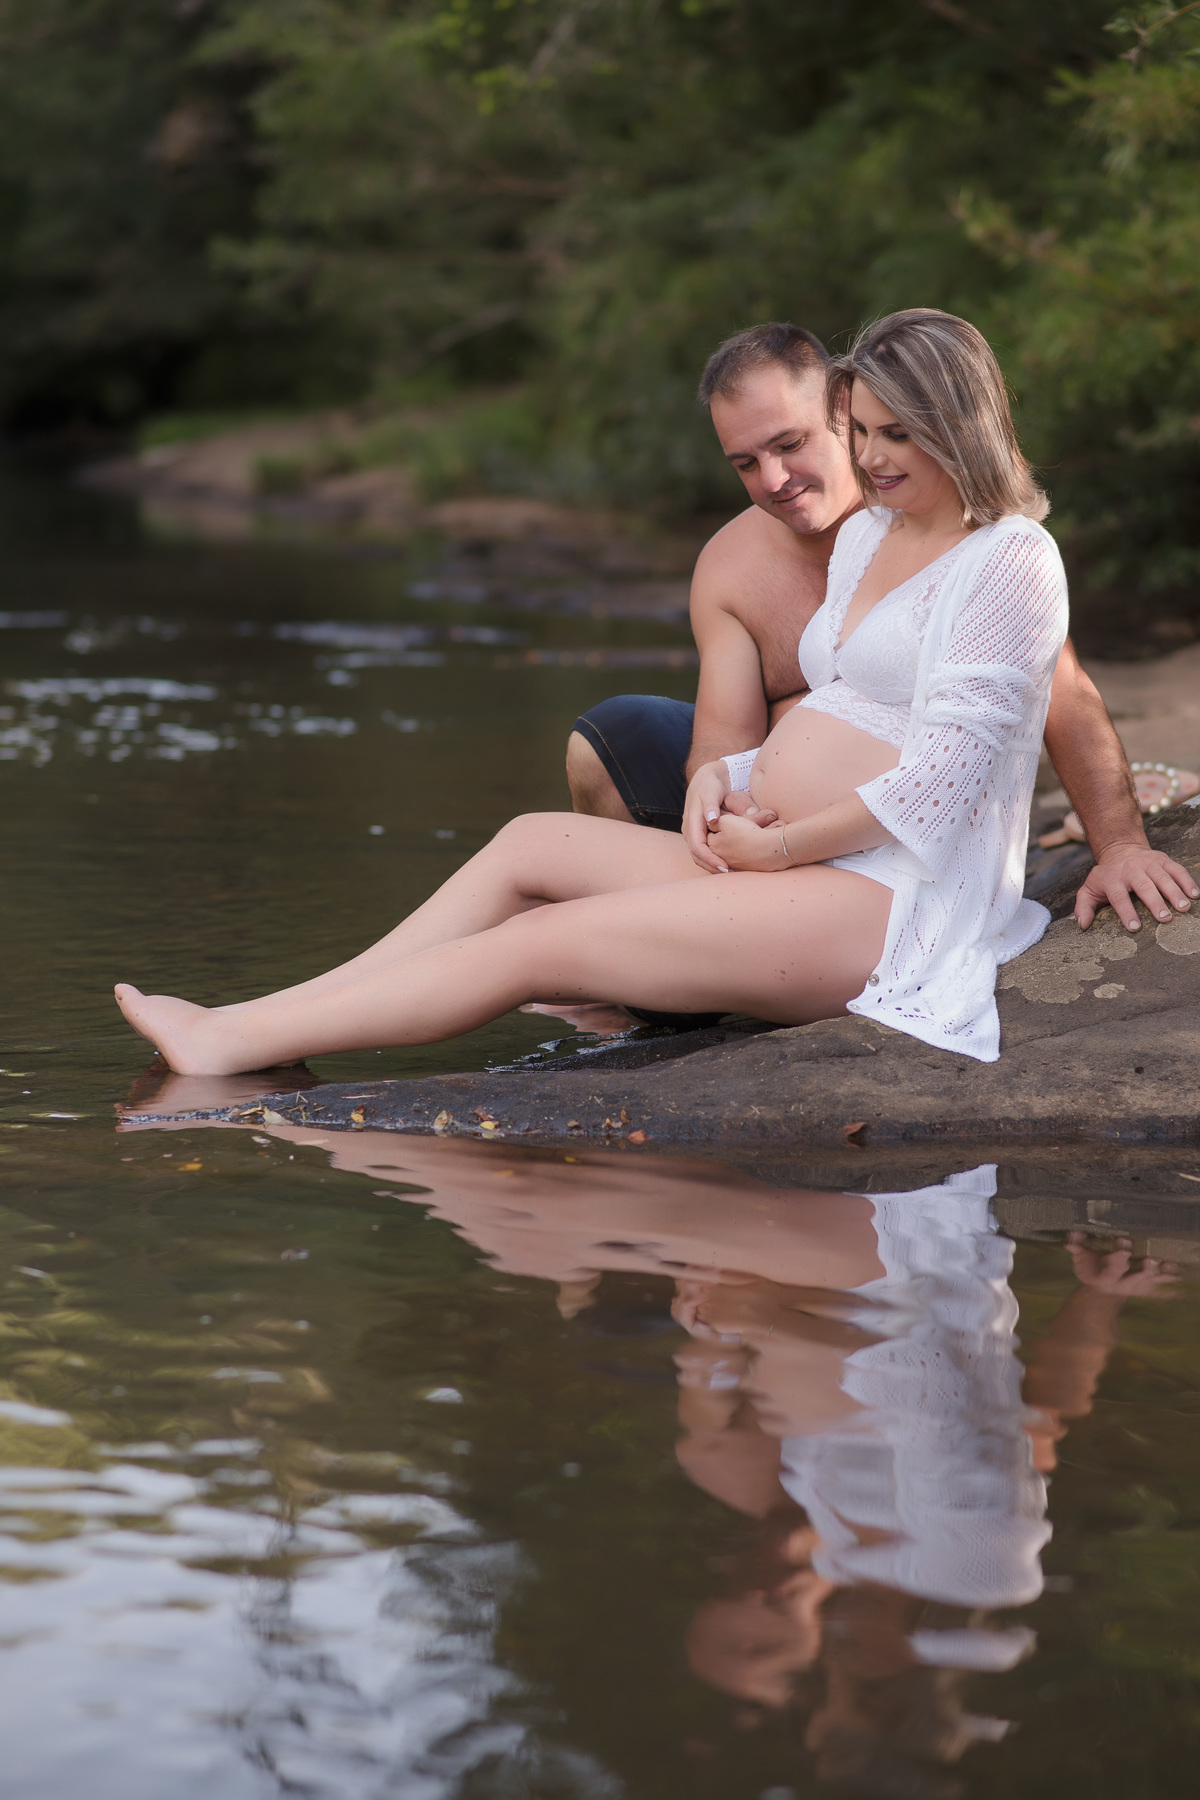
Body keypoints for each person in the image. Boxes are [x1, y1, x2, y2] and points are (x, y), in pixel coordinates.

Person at [115, 309, 1073, 1073]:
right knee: (528, 843)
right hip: (798, 863)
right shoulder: (873, 535)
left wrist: (775, 845)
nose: (870, 458)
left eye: (896, 435)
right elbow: (837, 704)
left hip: (890, 900)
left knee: (544, 945)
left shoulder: (1010, 562)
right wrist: (724, 775)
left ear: (960, 425)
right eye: (862, 432)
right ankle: (258, 1015)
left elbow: (940, 786)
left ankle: (237, 1046)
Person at [567, 322, 1198, 937]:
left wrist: (1118, 843)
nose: (773, 480)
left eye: (790, 445)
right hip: (774, 804)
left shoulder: (953, 533)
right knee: (610, 737)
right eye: (745, 463)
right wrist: (740, 815)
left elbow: (1063, 693)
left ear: (844, 415)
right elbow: (723, 740)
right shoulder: (730, 567)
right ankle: (639, 974)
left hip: (899, 826)